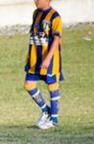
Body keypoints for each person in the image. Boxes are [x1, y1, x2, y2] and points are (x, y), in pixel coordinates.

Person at [24, 0, 63, 130]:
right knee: (28, 85)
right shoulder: (35, 14)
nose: (35, 1)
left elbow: (57, 39)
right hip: (35, 59)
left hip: (50, 60)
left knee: (52, 86)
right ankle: (46, 111)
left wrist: (48, 58)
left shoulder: (55, 17)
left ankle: (54, 119)